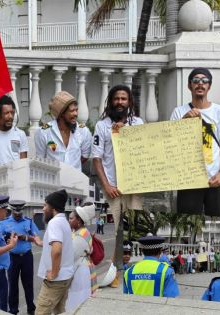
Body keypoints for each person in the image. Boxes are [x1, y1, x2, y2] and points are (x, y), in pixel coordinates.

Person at [92, 85, 144, 287]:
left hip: (134, 187)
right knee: (115, 232)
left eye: (124, 98)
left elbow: (145, 150)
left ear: (130, 102)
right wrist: (107, 185)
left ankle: (125, 271)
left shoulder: (138, 123)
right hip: (112, 188)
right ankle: (112, 272)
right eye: (116, 99)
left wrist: (126, 134)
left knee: (130, 230)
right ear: (110, 102)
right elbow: (96, 159)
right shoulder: (102, 126)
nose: (120, 102)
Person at [171, 68, 220, 218]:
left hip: (216, 178)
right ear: (189, 86)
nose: (200, 84)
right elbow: (172, 142)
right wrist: (185, 121)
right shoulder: (178, 112)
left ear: (209, 86)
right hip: (189, 179)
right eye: (196, 81)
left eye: (204, 81)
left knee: (219, 222)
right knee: (187, 223)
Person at [0, 200, 42, 315]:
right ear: (11, 210)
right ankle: (13, 310)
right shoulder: (4, 223)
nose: (18, 214)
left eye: (20, 211)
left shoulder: (28, 221)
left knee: (28, 284)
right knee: (12, 285)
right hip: (12, 257)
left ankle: (31, 309)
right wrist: (6, 240)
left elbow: (36, 238)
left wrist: (26, 238)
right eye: (15, 211)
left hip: (27, 257)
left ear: (22, 210)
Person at [36, 190, 74, 315]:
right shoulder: (64, 222)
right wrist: (39, 242)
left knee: (41, 312)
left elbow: (57, 250)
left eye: (45, 205)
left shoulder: (54, 223)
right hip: (66, 277)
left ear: (52, 207)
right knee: (59, 311)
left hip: (56, 280)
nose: (43, 209)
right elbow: (55, 245)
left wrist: (54, 272)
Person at [35, 91, 92, 171]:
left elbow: (85, 156)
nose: (76, 114)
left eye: (76, 110)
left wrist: (70, 169)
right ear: (61, 114)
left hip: (76, 180)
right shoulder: (44, 132)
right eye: (72, 111)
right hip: (52, 181)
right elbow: (40, 159)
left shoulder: (83, 131)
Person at [66, 203, 98, 311]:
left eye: (71, 218)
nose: (69, 220)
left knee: (78, 301)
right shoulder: (78, 232)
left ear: (79, 220)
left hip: (80, 272)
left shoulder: (81, 235)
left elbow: (70, 256)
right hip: (79, 269)